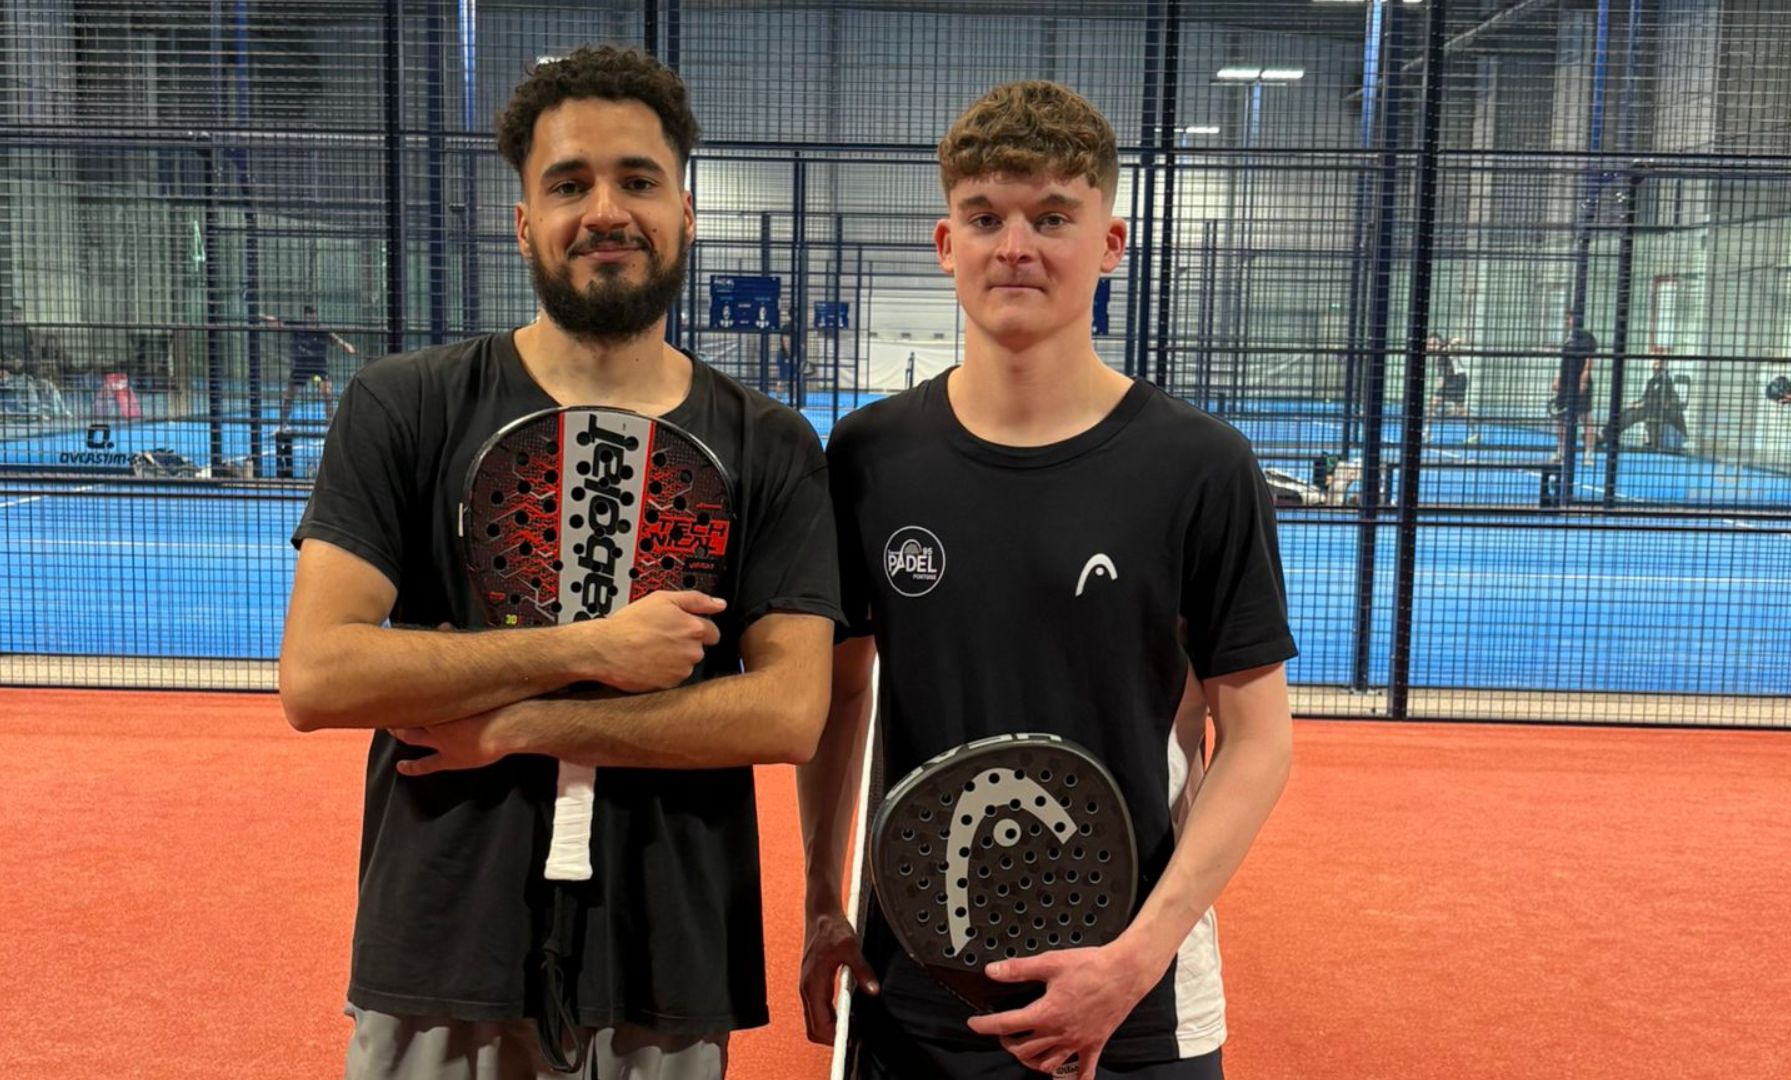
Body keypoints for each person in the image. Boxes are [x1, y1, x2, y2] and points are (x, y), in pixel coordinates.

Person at [278, 45, 841, 1080]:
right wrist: (594, 646)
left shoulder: (770, 442)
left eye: (638, 179)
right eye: (569, 182)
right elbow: (320, 676)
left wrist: (516, 725)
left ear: (685, 210)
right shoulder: (407, 407)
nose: (606, 210)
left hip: (666, 958)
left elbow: (790, 713)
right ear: (525, 220)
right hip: (444, 943)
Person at [799, 81, 1296, 1080]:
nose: (1014, 245)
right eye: (985, 218)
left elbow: (1258, 735)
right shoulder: (866, 456)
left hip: (1133, 998)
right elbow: (841, 694)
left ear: (1112, 242)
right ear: (947, 245)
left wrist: (1135, 960)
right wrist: (823, 901)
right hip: (911, 986)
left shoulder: (1200, 465)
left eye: (1052, 218)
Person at [264, 303, 358, 423]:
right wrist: (261, 317)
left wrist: (346, 345)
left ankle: (331, 426)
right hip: (301, 369)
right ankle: (282, 424)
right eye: (309, 316)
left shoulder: (322, 330)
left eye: (313, 316)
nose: (312, 318)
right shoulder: (298, 328)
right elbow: (278, 323)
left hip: (317, 372)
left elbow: (337, 340)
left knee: (327, 393)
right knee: (289, 395)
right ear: (304, 316)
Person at [1600, 356, 1688, 451]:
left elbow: (1660, 399)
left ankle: (1606, 435)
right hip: (1649, 408)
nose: (1654, 366)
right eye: (1654, 364)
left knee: (1630, 415)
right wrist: (1636, 403)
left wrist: (1643, 404)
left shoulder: (1666, 381)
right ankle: (1607, 434)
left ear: (1663, 366)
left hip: (1660, 410)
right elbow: (1646, 397)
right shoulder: (1651, 381)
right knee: (1624, 412)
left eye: (1657, 364)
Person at [1553, 325, 1599, 464]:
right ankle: (1560, 452)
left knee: (1585, 418)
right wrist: (1558, 378)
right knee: (1560, 418)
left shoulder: (1587, 338)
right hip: (1566, 382)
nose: (1570, 321)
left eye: (1572, 317)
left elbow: (1589, 362)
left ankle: (1588, 454)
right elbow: (1563, 362)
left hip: (1580, 381)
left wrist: (1583, 380)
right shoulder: (1568, 339)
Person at [1428, 334, 1480, 445]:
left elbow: (1455, 341)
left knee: (1459, 410)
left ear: (1439, 343)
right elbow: (1443, 372)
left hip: (1458, 379)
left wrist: (1460, 340)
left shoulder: (1446, 348)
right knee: (1433, 402)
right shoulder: (1438, 356)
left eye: (1433, 343)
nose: (1430, 346)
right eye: (1429, 344)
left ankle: (1475, 433)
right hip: (1449, 380)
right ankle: (1427, 432)